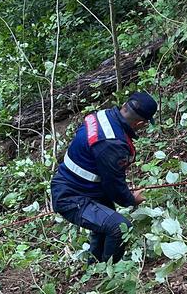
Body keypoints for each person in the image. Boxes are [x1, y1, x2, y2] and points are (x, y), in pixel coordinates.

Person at [51, 92, 157, 264]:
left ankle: (95, 266)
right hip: (71, 197)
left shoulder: (102, 116)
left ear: (124, 106)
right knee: (120, 228)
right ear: (140, 123)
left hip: (81, 187)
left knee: (105, 225)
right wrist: (131, 199)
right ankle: (110, 274)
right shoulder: (112, 143)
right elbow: (113, 184)